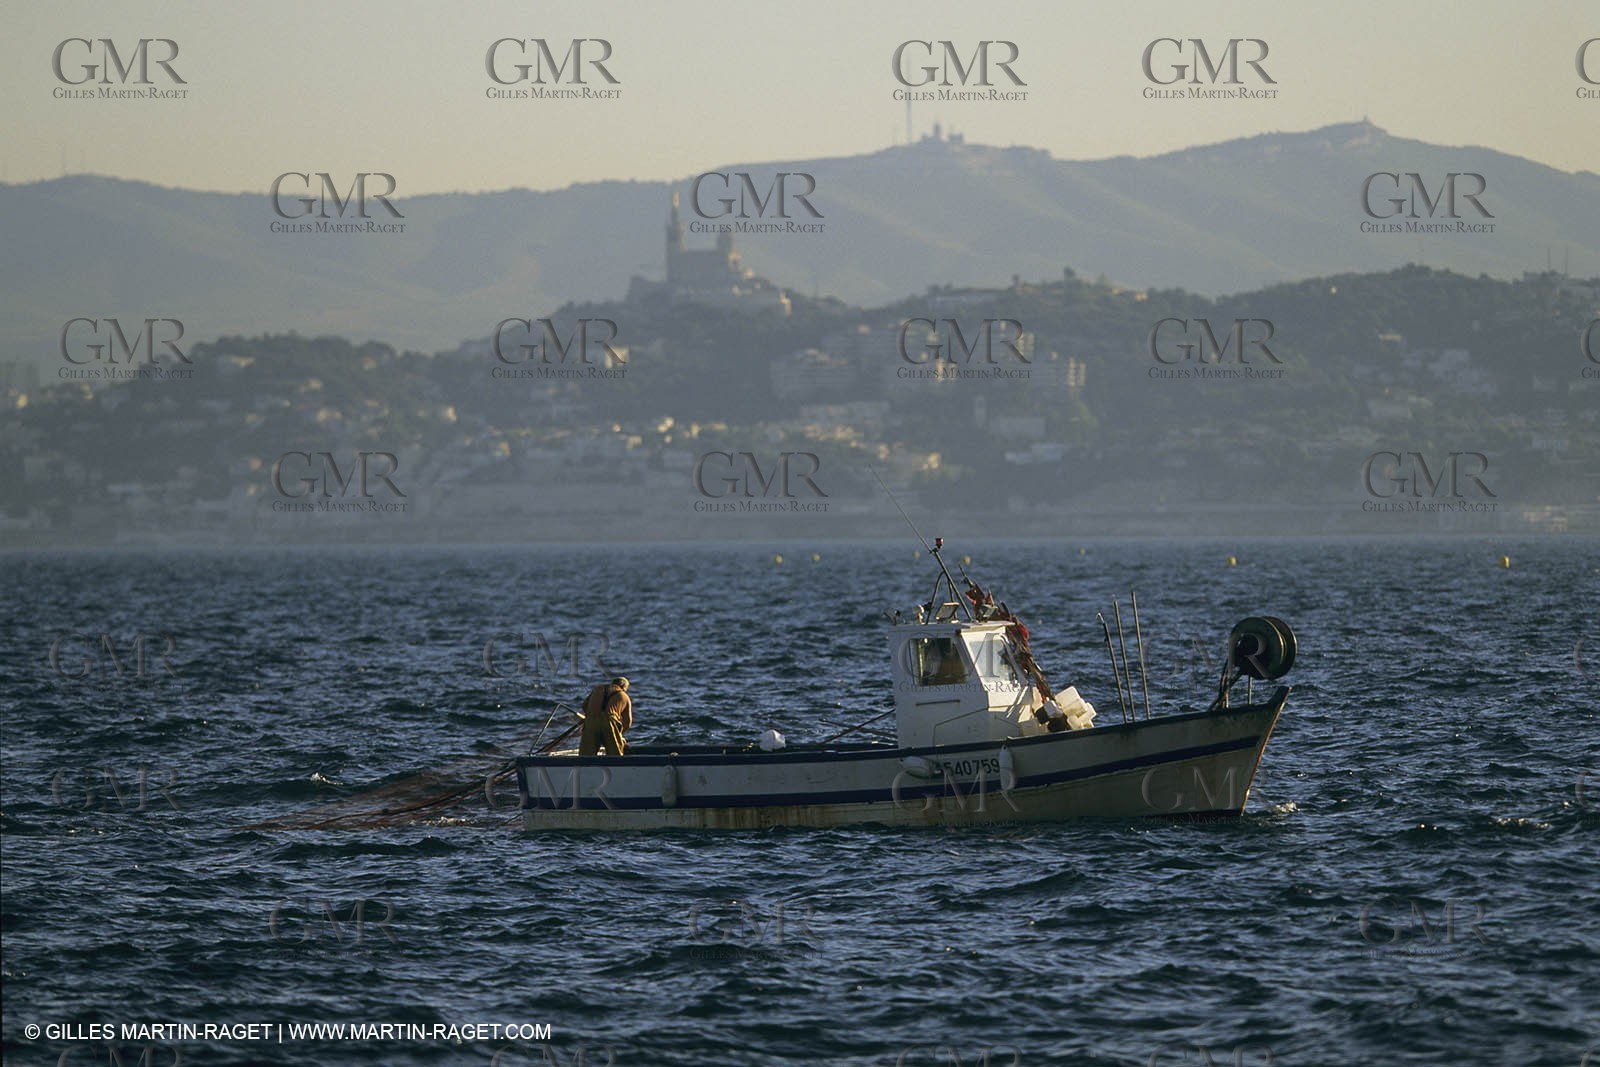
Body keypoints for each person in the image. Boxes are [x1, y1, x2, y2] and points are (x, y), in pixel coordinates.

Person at [579, 676, 632, 756]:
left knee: (586, 754)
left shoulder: (597, 689)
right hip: (610, 722)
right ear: (624, 687)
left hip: (591, 721)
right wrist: (619, 734)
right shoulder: (624, 696)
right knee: (615, 754)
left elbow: (584, 706)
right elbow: (628, 722)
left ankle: (584, 767)